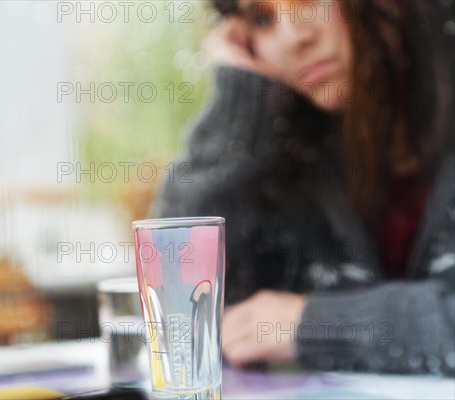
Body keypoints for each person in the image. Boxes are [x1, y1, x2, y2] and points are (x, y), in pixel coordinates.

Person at [151, 0, 455, 375]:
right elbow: (178, 313)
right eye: (262, 19)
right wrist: (238, 112)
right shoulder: (283, 156)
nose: (295, 37)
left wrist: (311, 324)